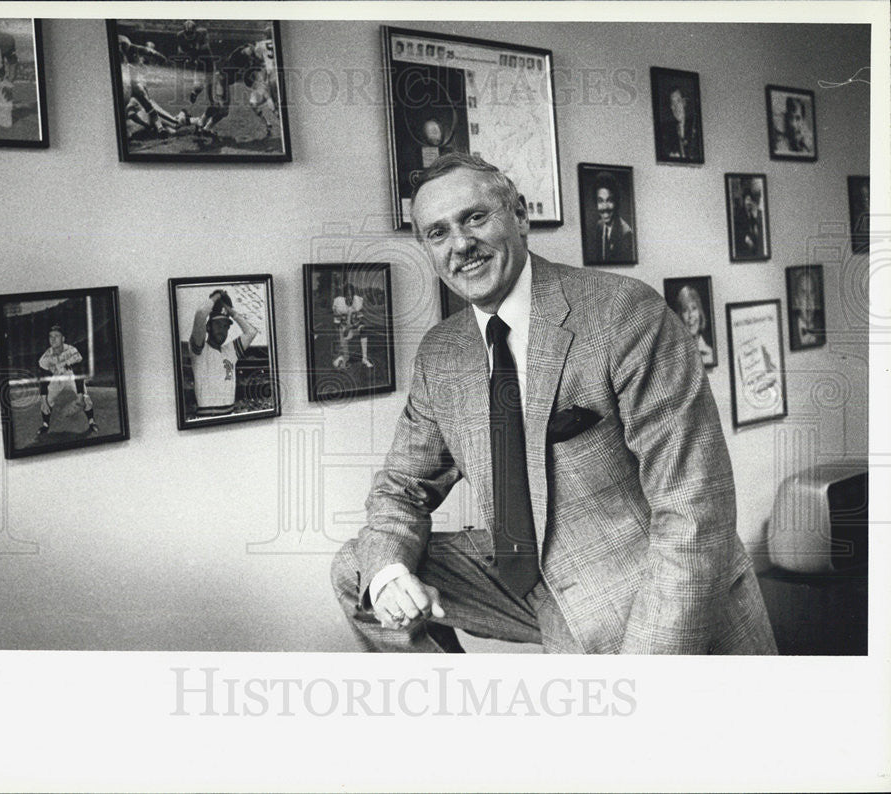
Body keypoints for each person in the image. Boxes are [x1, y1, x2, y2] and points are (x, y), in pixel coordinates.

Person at [330, 153, 776, 654]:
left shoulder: (623, 313)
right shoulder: (441, 355)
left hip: (646, 588)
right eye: (438, 233)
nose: (460, 244)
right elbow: (400, 489)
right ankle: (451, 723)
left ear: (519, 216)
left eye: (475, 217)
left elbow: (695, 513)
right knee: (363, 572)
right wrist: (391, 576)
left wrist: (639, 685)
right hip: (528, 581)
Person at [189, 289, 258, 415]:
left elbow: (251, 332)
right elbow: (200, 313)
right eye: (218, 325)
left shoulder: (230, 351)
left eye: (226, 326)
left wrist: (231, 311)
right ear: (208, 327)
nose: (223, 329)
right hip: (208, 417)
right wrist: (216, 297)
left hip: (229, 415)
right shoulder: (200, 350)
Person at [35, 326, 99, 438]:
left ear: (63, 339)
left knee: (86, 398)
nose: (53, 339)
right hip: (56, 378)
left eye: (56, 336)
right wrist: (44, 400)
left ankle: (91, 422)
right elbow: (43, 380)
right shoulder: (45, 358)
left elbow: (79, 373)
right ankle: (45, 425)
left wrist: (80, 395)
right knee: (47, 401)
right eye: (51, 336)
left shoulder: (72, 351)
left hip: (71, 376)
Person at [587, 172, 634, 263]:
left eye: (609, 200)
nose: (605, 207)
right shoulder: (599, 226)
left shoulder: (626, 233)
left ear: (616, 202)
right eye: (600, 201)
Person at [332, 282, 374, 369]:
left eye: (351, 295)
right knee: (345, 357)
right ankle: (343, 358)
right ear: (344, 296)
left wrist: (353, 325)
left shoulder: (358, 302)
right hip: (343, 329)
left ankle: (364, 359)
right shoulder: (338, 303)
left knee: (363, 329)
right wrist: (340, 336)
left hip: (353, 327)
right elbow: (336, 323)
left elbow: (361, 320)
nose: (349, 297)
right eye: (347, 295)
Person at [673, 285, 714, 365]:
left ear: (700, 312)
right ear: (680, 316)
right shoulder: (674, 357)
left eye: (694, 308)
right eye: (685, 310)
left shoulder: (710, 354)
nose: (691, 315)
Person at [661, 86, 700, 159]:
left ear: (684, 103)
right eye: (673, 103)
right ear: (671, 107)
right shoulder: (668, 132)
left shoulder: (695, 126)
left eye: (678, 101)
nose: (676, 107)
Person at [791, 270, 824, 347]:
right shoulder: (790, 329)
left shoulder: (822, 325)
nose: (808, 300)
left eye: (811, 293)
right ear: (797, 301)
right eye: (803, 293)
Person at [733, 183, 765, 258]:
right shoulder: (740, 214)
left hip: (752, 247)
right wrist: (745, 238)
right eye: (747, 200)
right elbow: (738, 231)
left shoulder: (751, 214)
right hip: (743, 247)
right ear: (744, 201)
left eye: (750, 200)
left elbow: (756, 229)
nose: (749, 202)